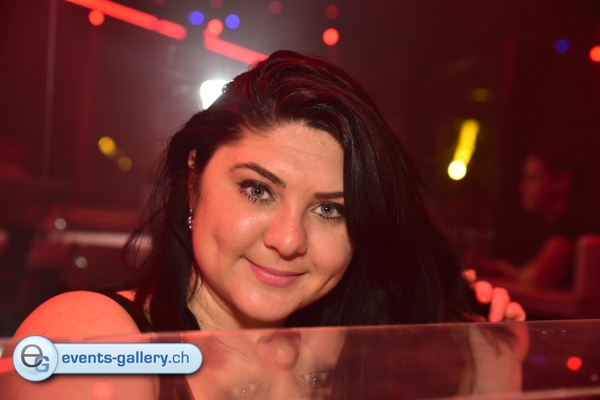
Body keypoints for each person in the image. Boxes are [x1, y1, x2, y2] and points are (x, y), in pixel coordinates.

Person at [8, 51, 525, 398]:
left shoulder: (361, 354)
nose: (288, 239)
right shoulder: (93, 342)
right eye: (257, 190)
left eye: (330, 210)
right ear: (193, 181)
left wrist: (493, 370)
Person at [468, 144, 596, 289]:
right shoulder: (558, 224)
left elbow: (537, 279)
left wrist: (503, 270)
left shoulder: (574, 223)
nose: (522, 186)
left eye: (532, 178)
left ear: (562, 182)